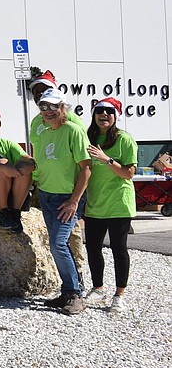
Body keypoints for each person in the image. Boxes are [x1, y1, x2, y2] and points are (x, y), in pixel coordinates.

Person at [30, 88, 91, 315]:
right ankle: (67, 292)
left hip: (67, 198)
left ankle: (75, 294)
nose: (48, 111)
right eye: (44, 106)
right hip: (47, 195)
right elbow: (41, 164)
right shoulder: (44, 133)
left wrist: (75, 201)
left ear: (63, 108)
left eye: (54, 106)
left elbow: (86, 169)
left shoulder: (74, 131)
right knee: (57, 245)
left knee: (58, 243)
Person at [82, 97, 136, 313]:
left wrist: (106, 159)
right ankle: (98, 288)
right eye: (99, 111)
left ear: (116, 116)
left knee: (118, 249)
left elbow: (128, 173)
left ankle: (119, 294)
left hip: (118, 204)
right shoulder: (88, 138)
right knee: (93, 248)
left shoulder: (124, 139)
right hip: (95, 204)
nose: (104, 114)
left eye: (109, 111)